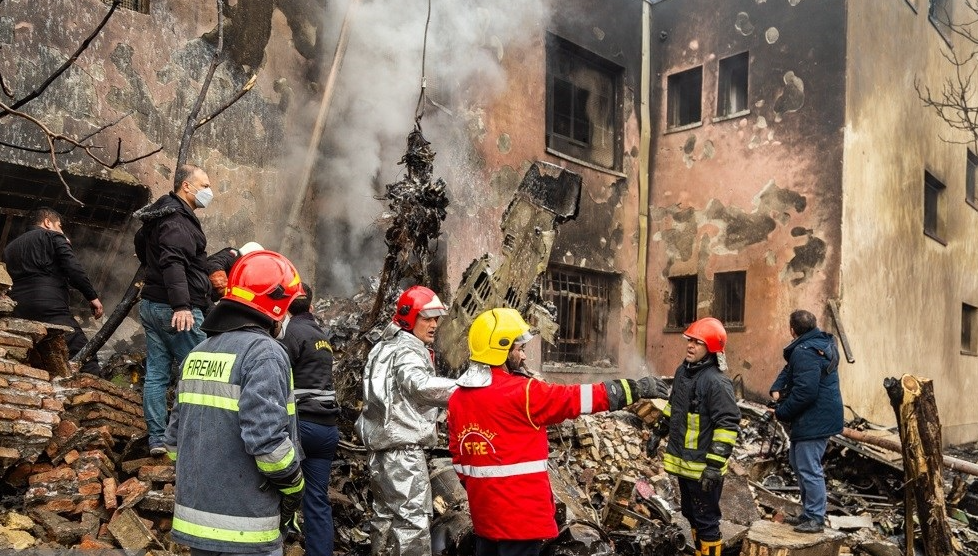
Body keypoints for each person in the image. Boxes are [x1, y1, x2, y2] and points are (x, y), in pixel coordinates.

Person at [447, 308, 670, 556]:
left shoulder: (457, 398)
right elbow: (577, 398)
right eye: (519, 349)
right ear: (502, 349)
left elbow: (459, 461)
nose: (522, 357)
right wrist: (634, 388)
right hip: (522, 522)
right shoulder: (524, 393)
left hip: (485, 519)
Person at [162, 250, 306, 556]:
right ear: (276, 304)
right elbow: (268, 445)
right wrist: (294, 486)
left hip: (197, 524)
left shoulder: (198, 352)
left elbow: (174, 442)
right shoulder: (264, 353)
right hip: (247, 527)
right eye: (289, 306)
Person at [353, 285, 457, 556]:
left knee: (385, 519)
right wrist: (464, 389)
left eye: (437, 318)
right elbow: (419, 385)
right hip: (404, 453)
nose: (434, 324)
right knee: (412, 523)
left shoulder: (384, 346)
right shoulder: (409, 350)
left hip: (380, 451)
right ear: (410, 317)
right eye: (427, 318)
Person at [134, 164, 213, 456]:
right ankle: (189, 438)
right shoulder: (177, 219)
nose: (209, 191)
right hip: (175, 308)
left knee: (156, 372)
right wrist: (182, 305)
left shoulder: (158, 215)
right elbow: (173, 262)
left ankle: (157, 439)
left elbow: (142, 247)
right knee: (202, 371)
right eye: (204, 185)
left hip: (151, 305)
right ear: (186, 187)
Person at [647, 317, 740, 556]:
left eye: (698, 343)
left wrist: (714, 466)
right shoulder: (683, 372)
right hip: (684, 464)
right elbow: (673, 407)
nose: (690, 346)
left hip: (703, 468)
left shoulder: (717, 382)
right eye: (690, 340)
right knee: (691, 514)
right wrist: (659, 431)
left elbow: (727, 426)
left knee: (707, 521)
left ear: (710, 348)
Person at [3, 207, 104, 374]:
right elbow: (73, 269)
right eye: (60, 225)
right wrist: (92, 297)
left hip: (19, 308)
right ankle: (95, 393)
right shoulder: (53, 236)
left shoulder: (10, 248)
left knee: (38, 358)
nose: (61, 229)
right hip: (50, 306)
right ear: (47, 222)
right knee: (84, 355)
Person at [769, 309, 843, 534]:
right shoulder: (818, 345)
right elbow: (790, 370)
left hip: (814, 418)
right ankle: (809, 513)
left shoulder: (804, 351)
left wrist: (782, 412)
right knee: (798, 462)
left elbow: (806, 392)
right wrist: (776, 387)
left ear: (792, 329)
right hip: (820, 416)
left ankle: (815, 518)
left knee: (809, 468)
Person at [280, 282, 340, 556]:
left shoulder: (290, 332)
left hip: (300, 427)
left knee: (277, 488)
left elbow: (276, 376)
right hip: (326, 430)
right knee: (317, 499)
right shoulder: (321, 335)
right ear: (311, 306)